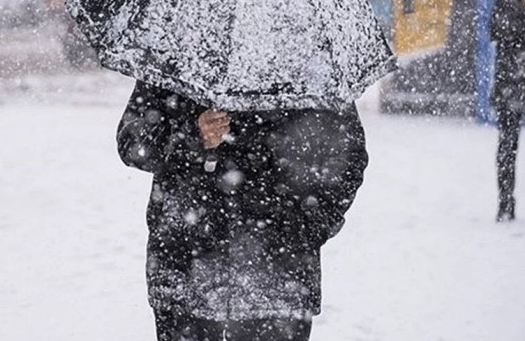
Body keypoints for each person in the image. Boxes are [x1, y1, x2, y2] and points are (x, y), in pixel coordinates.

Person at [117, 82, 368, 341]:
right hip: (186, 269)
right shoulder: (177, 53)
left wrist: (306, 228)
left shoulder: (308, 63)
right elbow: (132, 143)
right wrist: (192, 135)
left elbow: (348, 157)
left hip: (278, 280)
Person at [490, 0, 525, 222]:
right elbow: (499, 33)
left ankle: (505, 202)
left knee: (507, 147)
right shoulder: (507, 1)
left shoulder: (506, 0)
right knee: (507, 147)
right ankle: (505, 202)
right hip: (510, 85)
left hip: (510, 85)